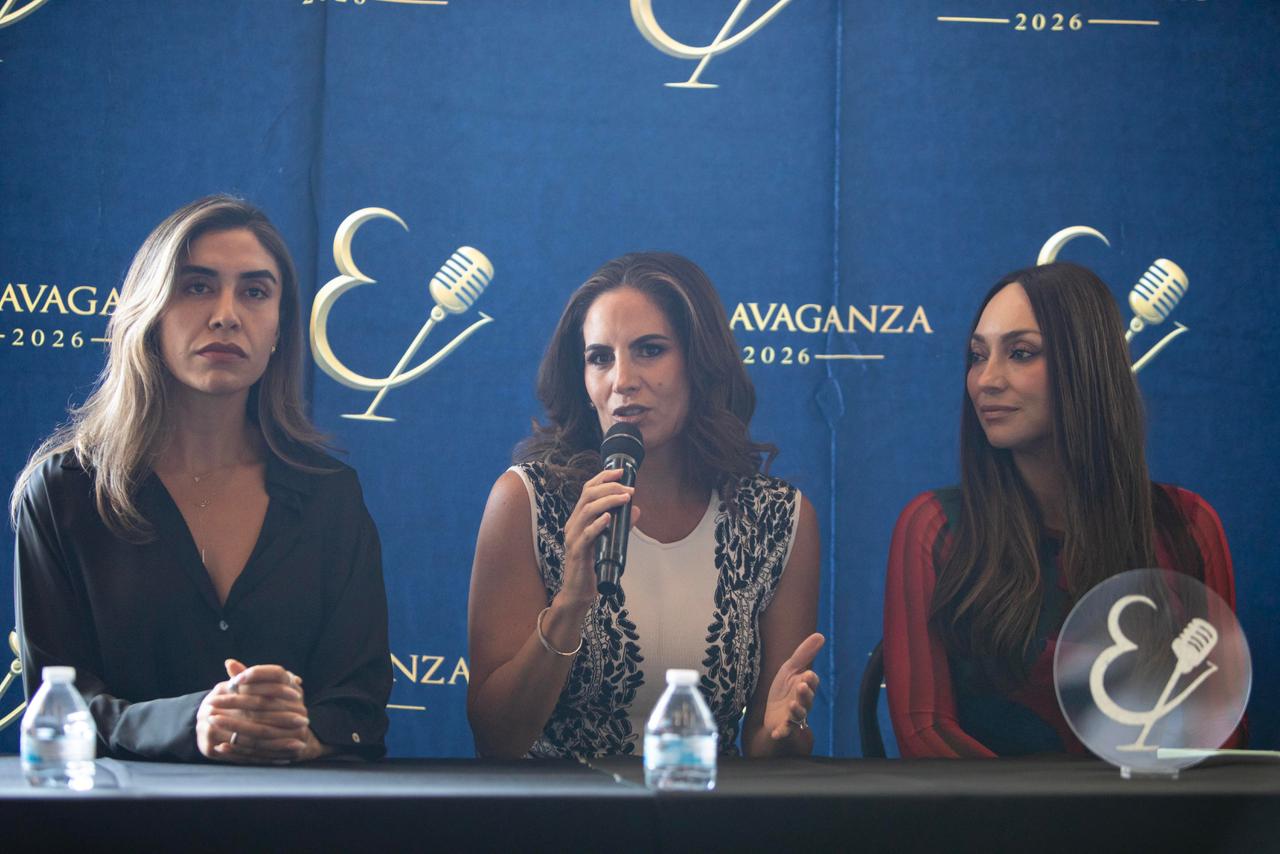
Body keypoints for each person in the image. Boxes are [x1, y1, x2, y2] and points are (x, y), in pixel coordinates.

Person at [12, 196, 392, 763]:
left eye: (255, 292)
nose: (226, 314)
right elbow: (60, 702)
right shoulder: (63, 492)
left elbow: (359, 704)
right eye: (197, 287)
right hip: (119, 812)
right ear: (150, 312)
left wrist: (302, 734)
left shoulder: (329, 494)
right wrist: (193, 722)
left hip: (294, 809)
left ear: (280, 328)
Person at [467, 252, 822, 759]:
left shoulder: (776, 519)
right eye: (599, 357)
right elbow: (495, 740)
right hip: (560, 805)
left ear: (700, 363)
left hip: (704, 802)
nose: (622, 380)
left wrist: (785, 730)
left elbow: (769, 748)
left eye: (650, 350)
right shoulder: (528, 501)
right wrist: (571, 603)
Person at [882, 261, 1241, 757]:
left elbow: (1218, 729)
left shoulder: (1188, 526)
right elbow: (926, 732)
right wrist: (1045, 806)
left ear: (1087, 365)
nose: (986, 379)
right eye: (977, 356)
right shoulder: (935, 527)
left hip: (1148, 808)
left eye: (1020, 353)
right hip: (986, 809)